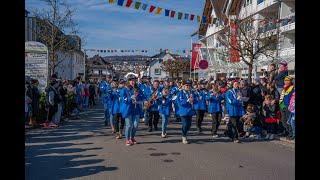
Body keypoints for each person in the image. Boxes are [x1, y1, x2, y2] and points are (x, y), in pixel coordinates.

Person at [120, 75, 144, 146]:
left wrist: (141, 100)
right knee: (129, 125)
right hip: (128, 109)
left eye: (134, 80)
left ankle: (132, 137)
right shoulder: (124, 89)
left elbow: (142, 96)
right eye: (131, 80)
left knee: (136, 125)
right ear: (128, 81)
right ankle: (127, 139)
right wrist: (131, 98)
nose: (133, 82)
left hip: (136, 109)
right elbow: (123, 99)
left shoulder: (137, 88)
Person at [177, 80, 197, 144]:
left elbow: (196, 100)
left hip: (190, 111)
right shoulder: (180, 93)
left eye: (189, 85)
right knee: (185, 124)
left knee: (189, 125)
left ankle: (184, 132)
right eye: (187, 85)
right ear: (183, 86)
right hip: (183, 111)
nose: (188, 86)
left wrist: (194, 100)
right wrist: (188, 100)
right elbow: (180, 102)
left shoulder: (191, 92)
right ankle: (184, 136)